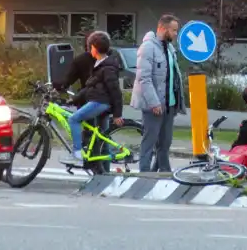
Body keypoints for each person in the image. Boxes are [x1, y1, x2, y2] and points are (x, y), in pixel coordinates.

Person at [131, 14, 184, 173]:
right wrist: (154, 103)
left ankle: (162, 171)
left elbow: (173, 76)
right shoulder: (148, 47)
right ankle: (145, 173)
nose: (176, 34)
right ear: (162, 28)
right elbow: (144, 78)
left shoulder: (169, 48)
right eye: (173, 30)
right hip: (154, 105)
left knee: (165, 143)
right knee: (150, 141)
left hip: (169, 104)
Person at [61, 31, 123, 164]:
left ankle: (76, 153)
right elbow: (90, 87)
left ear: (94, 48)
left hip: (100, 102)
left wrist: (118, 114)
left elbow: (115, 91)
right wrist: (74, 99)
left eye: (90, 48)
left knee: (73, 119)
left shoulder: (107, 67)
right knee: (101, 136)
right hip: (97, 101)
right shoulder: (101, 64)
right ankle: (101, 169)